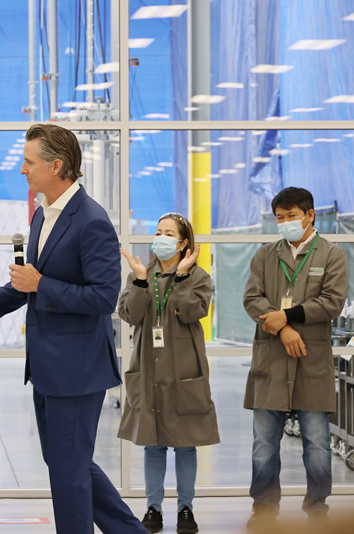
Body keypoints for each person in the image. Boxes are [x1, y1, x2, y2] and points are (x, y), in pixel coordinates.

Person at [0, 124, 145, 534]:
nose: (22, 170)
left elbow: (104, 299)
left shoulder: (92, 221)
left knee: (68, 475)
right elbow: (24, 286)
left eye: (29, 162)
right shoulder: (42, 215)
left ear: (57, 166)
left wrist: (42, 285)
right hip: (49, 367)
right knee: (66, 464)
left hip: (77, 369)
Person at [243, 187, 348, 528]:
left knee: (317, 444)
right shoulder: (264, 255)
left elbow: (333, 302)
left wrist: (289, 318)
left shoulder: (332, 255)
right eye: (280, 218)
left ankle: (317, 508)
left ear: (310, 214)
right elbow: (252, 299)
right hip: (271, 361)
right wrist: (282, 329)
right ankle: (264, 508)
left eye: (291, 216)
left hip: (311, 362)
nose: (285, 223)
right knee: (263, 445)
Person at [117, 213, 220, 534]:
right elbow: (129, 314)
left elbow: (193, 311)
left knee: (186, 443)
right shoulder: (141, 274)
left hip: (184, 371)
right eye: (158, 231)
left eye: (168, 233)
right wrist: (137, 282)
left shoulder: (199, 276)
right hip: (148, 369)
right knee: (153, 443)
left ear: (183, 242)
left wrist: (184, 276)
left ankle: (186, 508)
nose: (160, 237)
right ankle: (153, 507)